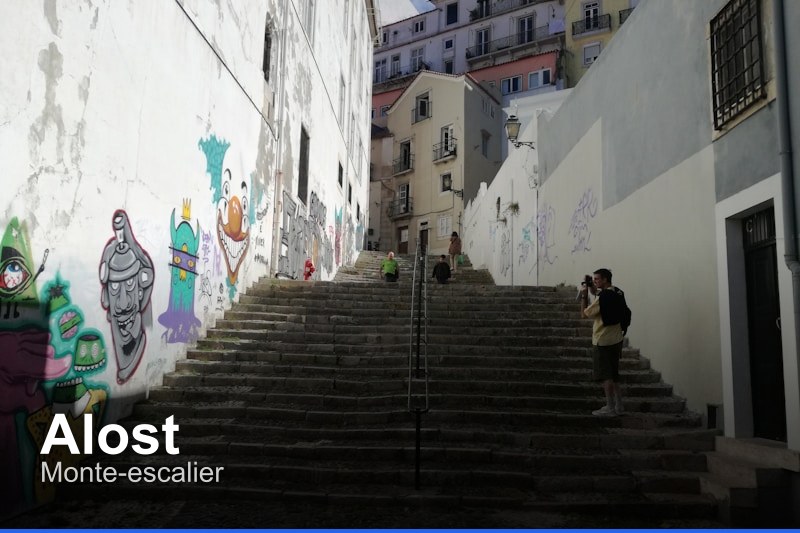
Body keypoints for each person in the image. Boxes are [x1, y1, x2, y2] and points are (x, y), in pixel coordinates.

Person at [579, 268, 624, 417]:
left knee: (606, 376)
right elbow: (600, 294)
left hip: (603, 340)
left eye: (597, 279)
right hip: (616, 338)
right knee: (614, 374)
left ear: (605, 279)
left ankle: (610, 407)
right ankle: (619, 406)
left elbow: (584, 314)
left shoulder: (602, 298)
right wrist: (591, 287)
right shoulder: (617, 292)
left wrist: (584, 296)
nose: (595, 281)